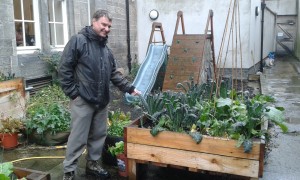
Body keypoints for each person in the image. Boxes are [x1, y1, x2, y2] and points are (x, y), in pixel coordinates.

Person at [58, 9, 141, 180]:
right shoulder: (78, 41)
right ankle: (69, 171)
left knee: (98, 137)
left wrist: (130, 88)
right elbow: (64, 69)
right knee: (78, 138)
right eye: (104, 24)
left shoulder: (105, 49)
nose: (107, 29)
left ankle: (92, 165)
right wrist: (73, 94)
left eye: (109, 26)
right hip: (83, 100)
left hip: (101, 101)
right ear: (94, 21)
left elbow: (113, 74)